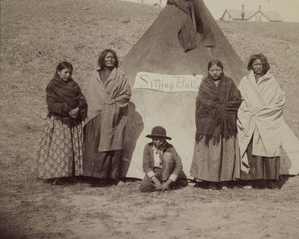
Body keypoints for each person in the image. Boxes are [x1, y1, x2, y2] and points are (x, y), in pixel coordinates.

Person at [190, 59, 242, 189]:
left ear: (222, 70)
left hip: (226, 126)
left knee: (226, 153)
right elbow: (201, 104)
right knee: (211, 154)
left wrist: (221, 109)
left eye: (217, 70)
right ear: (208, 71)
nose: (215, 73)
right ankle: (210, 180)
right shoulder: (205, 85)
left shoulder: (229, 82)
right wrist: (219, 109)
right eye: (212, 70)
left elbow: (236, 100)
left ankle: (225, 180)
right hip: (210, 126)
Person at [83, 49, 131, 184]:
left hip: (115, 115)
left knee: (114, 144)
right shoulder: (95, 75)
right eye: (107, 57)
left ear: (115, 60)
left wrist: (113, 103)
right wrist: (102, 105)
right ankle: (95, 176)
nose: (109, 59)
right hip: (97, 113)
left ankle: (114, 177)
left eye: (112, 57)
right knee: (96, 143)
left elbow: (127, 93)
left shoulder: (120, 75)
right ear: (102, 59)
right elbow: (91, 94)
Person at [237, 53, 284, 189]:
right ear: (251, 65)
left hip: (267, 120)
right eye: (255, 64)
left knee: (269, 148)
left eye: (260, 64)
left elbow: (278, 100)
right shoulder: (245, 81)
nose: (258, 67)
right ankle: (254, 179)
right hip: (251, 119)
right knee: (252, 149)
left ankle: (270, 180)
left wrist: (264, 113)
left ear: (265, 66)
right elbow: (241, 99)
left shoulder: (271, 81)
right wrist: (248, 113)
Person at [37, 61, 87, 183]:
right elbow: (52, 105)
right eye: (65, 72)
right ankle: (57, 176)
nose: (68, 75)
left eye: (70, 73)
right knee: (61, 150)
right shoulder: (52, 86)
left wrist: (78, 109)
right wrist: (69, 109)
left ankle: (72, 174)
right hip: (60, 122)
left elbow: (82, 99)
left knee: (72, 149)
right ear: (58, 72)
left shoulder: (74, 85)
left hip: (74, 122)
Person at [140, 126, 187, 192]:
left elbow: (179, 164)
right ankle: (162, 186)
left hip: (167, 172)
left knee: (167, 156)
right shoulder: (148, 147)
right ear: (152, 139)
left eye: (161, 139)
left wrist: (167, 182)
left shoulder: (170, 147)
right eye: (156, 139)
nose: (158, 141)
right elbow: (146, 165)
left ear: (165, 139)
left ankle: (166, 184)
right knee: (144, 186)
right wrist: (156, 181)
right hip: (154, 172)